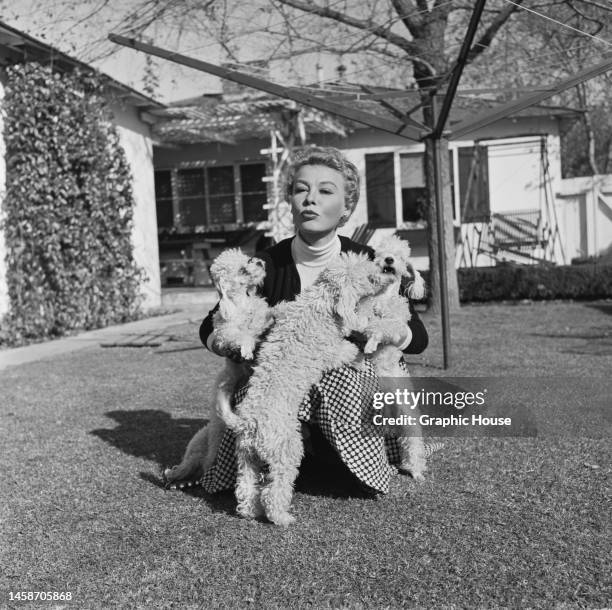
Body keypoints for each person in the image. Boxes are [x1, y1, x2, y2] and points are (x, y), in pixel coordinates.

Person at [197, 146, 428, 495]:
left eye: (325, 191)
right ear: (290, 201)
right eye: (301, 189)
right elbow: (210, 325)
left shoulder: (369, 261)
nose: (310, 199)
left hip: (350, 377)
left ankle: (346, 459)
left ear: (346, 208)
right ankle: (272, 462)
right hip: (288, 380)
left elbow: (418, 337)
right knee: (256, 388)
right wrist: (236, 343)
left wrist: (374, 332)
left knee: (354, 376)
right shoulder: (267, 263)